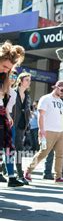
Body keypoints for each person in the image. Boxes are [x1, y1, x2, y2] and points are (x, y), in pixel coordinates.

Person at [24, 81, 63, 184]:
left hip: (61, 131)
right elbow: (41, 115)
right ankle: (28, 171)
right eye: (61, 90)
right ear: (55, 87)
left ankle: (58, 177)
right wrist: (41, 130)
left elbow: (62, 117)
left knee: (60, 155)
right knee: (42, 153)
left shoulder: (61, 102)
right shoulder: (46, 98)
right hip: (48, 130)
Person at [0, 42, 25, 188]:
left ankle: (11, 175)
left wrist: (7, 116)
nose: (5, 71)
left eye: (8, 69)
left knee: (9, 148)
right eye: (4, 67)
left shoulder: (4, 79)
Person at [12, 72, 32, 185]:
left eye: (29, 80)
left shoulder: (27, 95)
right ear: (20, 81)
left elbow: (27, 111)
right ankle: (9, 172)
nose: (29, 82)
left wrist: (27, 124)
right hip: (10, 124)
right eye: (27, 80)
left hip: (21, 126)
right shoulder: (12, 92)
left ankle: (19, 174)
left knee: (18, 150)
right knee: (9, 149)